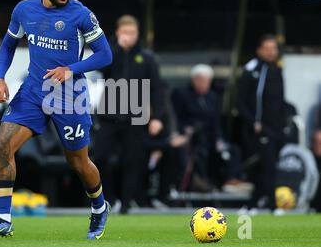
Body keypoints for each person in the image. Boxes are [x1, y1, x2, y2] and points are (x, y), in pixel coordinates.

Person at [0, 0, 112, 240]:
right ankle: (3, 219)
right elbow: (8, 45)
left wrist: (70, 69)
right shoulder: (24, 9)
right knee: (3, 145)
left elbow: (105, 55)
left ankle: (99, 207)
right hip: (33, 92)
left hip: (70, 97)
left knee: (77, 161)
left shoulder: (82, 15)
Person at [93, 14, 164, 214]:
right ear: (117, 33)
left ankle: (125, 203)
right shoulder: (109, 52)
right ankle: (109, 198)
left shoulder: (147, 57)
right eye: (125, 32)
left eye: (132, 33)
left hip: (135, 116)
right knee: (101, 157)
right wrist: (116, 48)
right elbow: (102, 70)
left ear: (137, 33)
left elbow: (157, 88)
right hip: (109, 115)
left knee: (132, 161)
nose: (129, 36)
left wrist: (157, 116)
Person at [172, 64, 252, 193]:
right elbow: (176, 118)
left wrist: (219, 139)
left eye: (207, 81)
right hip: (192, 136)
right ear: (195, 80)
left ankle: (231, 179)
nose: (205, 84)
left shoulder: (213, 98)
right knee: (200, 150)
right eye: (202, 80)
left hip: (211, 136)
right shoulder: (182, 94)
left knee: (233, 150)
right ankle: (200, 181)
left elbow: (216, 122)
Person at [237, 34, 287, 209]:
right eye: (267, 48)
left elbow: (280, 101)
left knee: (265, 167)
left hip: (277, 128)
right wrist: (254, 123)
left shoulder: (277, 70)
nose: (271, 52)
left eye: (274, 48)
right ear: (259, 50)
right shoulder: (252, 70)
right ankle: (272, 205)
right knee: (268, 166)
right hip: (260, 128)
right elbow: (240, 102)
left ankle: (251, 204)